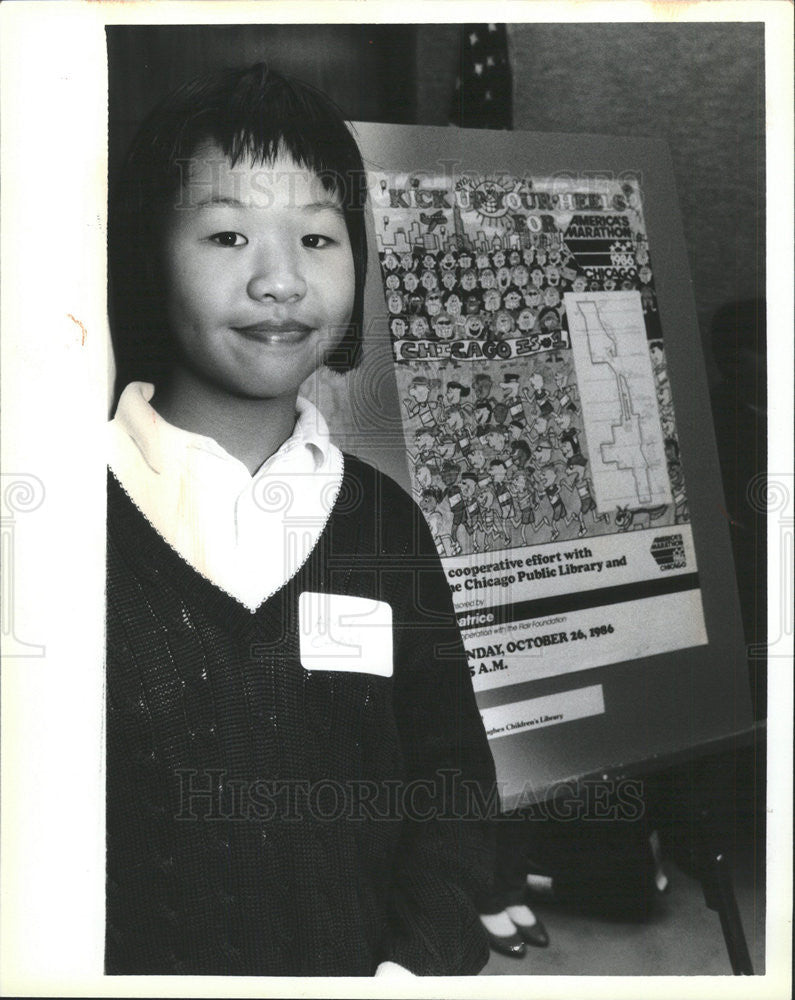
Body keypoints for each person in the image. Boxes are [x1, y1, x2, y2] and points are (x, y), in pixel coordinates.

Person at [105, 62, 496, 977]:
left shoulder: (383, 523)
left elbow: (450, 780)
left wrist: (415, 964)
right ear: (143, 257)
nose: (281, 281)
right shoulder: (72, 509)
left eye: (318, 238)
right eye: (229, 233)